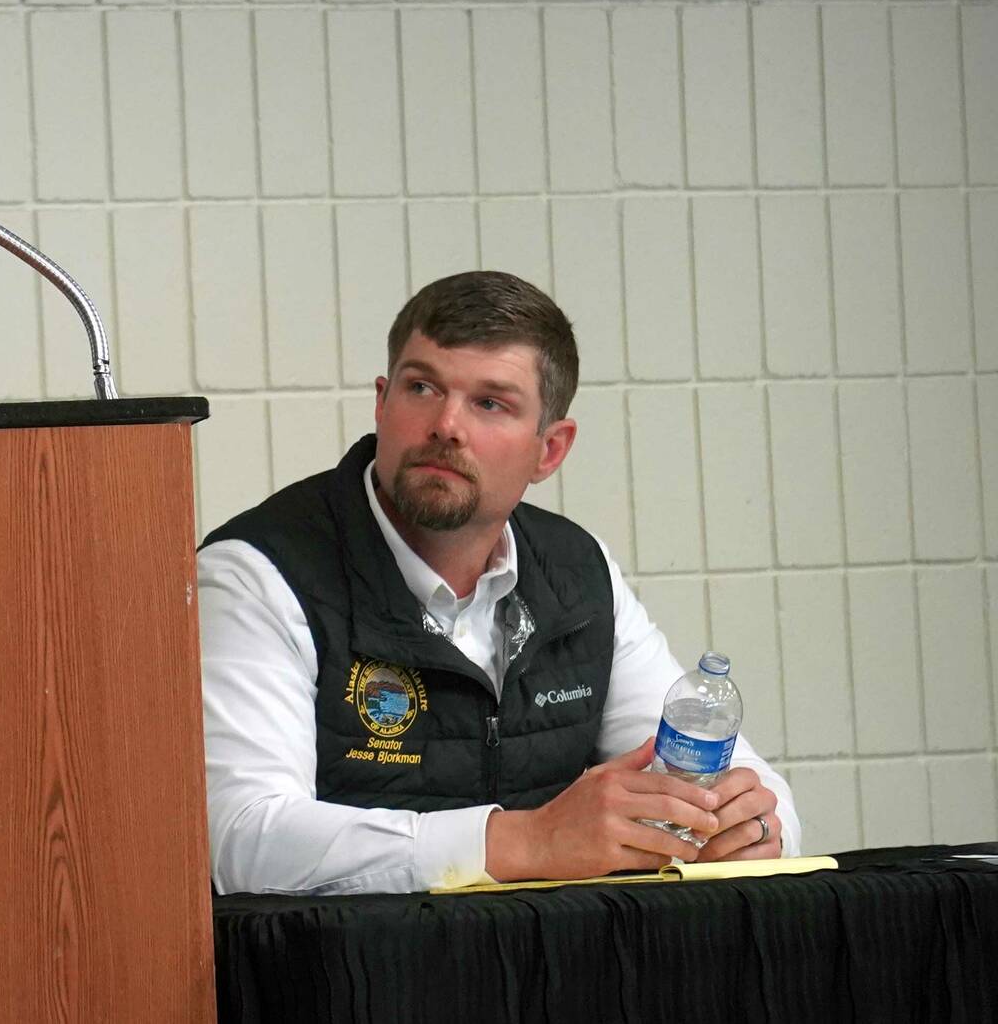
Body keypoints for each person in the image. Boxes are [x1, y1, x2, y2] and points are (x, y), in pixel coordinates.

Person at [198, 271, 798, 894]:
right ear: (382, 402)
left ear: (550, 450)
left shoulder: (577, 571)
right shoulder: (259, 571)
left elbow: (747, 783)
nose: (446, 425)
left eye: (490, 403)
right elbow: (241, 839)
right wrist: (526, 840)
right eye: (422, 387)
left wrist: (748, 829)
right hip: (345, 981)